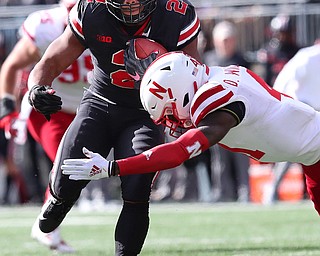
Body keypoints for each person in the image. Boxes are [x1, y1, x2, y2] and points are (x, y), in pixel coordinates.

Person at [27, 0, 201, 255]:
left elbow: (195, 74)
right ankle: (60, 198)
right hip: (100, 103)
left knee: (137, 189)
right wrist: (36, 87)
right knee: (66, 177)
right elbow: (52, 59)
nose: (130, 5)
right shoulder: (91, 10)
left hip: (146, 113)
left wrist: (185, 118)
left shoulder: (176, 14)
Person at [62, 52, 320, 221]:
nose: (173, 121)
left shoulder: (218, 100)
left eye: (170, 112)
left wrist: (113, 167)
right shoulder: (214, 77)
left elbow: (179, 152)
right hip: (312, 159)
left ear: (183, 93)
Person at [0, 0, 92, 253]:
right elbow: (11, 66)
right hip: (50, 110)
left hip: (90, 109)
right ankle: (47, 229)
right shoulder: (48, 26)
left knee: (76, 171)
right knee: (67, 167)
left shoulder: (110, 22)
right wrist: (7, 111)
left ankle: (47, 227)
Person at [264, 39, 320, 204]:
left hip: (312, 110)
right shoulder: (308, 57)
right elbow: (285, 80)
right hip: (303, 109)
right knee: (294, 153)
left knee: (306, 154)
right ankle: (273, 189)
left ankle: (274, 189)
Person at [202, 20, 251, 202]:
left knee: (241, 157)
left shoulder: (242, 60)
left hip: (238, 117)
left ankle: (245, 192)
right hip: (215, 116)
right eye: (222, 40)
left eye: (228, 40)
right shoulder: (208, 60)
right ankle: (222, 192)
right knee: (219, 160)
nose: (226, 44)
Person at [256, 14, 300, 86]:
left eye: (286, 33)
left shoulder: (297, 52)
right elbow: (264, 76)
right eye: (280, 33)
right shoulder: (267, 51)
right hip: (273, 88)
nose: (282, 36)